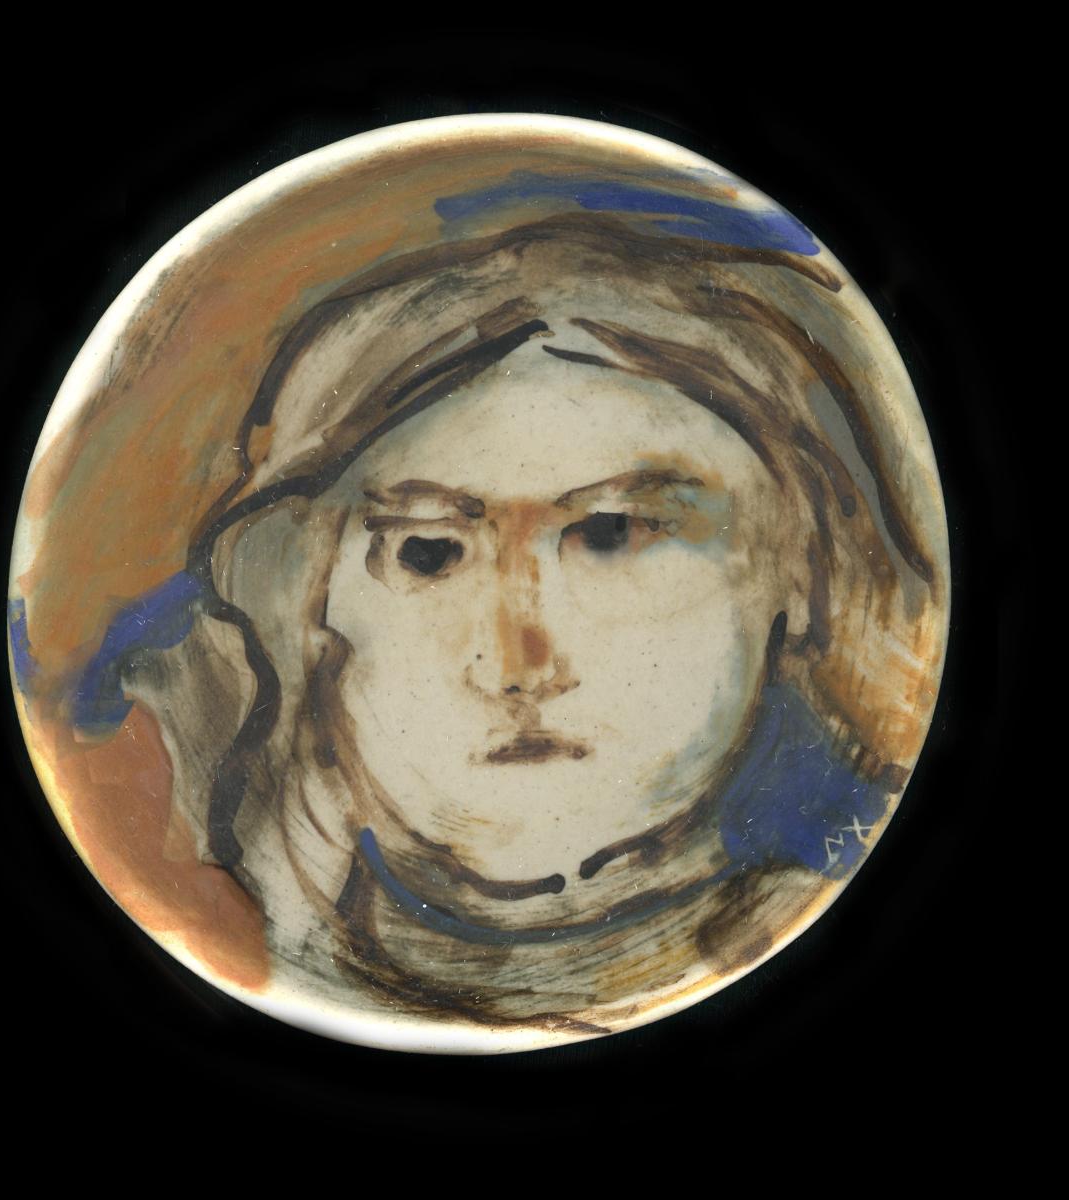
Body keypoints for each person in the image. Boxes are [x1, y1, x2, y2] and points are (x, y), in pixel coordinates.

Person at [90, 212, 943, 1035]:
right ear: (308, 600)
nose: (517, 665)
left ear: (798, 567)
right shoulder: (239, 924)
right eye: (428, 552)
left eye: (610, 534)